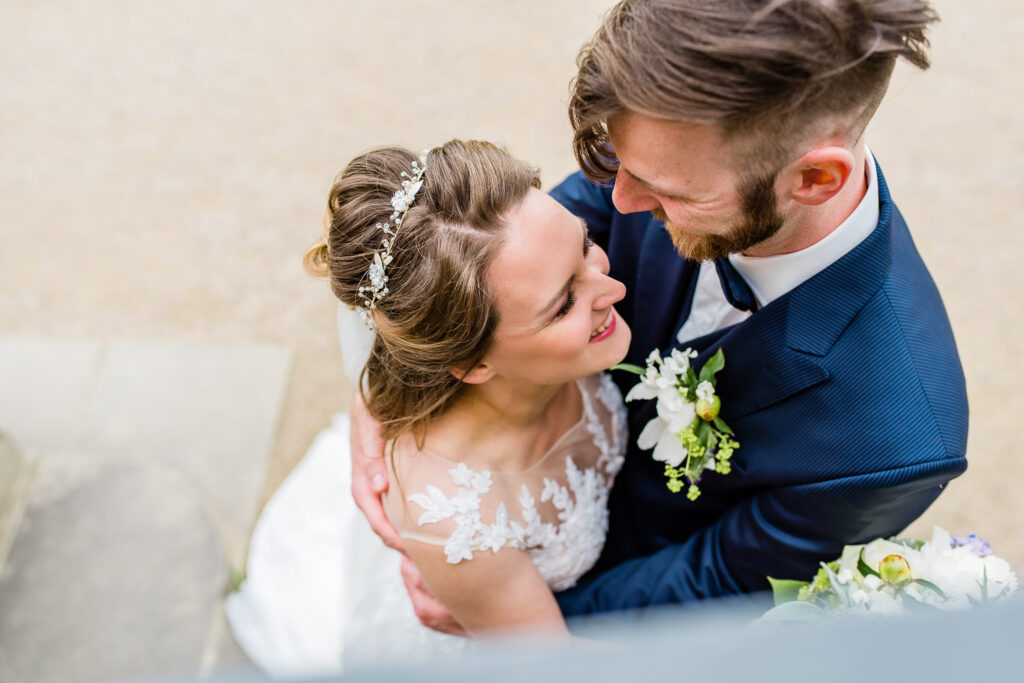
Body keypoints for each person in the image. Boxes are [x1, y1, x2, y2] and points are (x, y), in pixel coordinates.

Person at [350, 0, 968, 630]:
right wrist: (392, 385)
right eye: (614, 159)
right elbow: (476, 273)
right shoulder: (666, 149)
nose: (618, 201)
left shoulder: (896, 444)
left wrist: (508, 618)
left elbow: (717, 578)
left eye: (669, 193)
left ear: (813, 178)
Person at [226, 139, 632, 676]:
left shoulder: (556, 318)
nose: (613, 288)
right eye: (563, 306)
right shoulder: (456, 518)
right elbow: (557, 668)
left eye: (586, 245)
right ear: (472, 363)